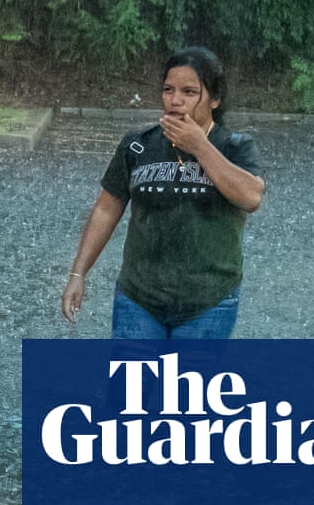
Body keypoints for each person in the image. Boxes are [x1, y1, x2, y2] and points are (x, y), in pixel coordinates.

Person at [60, 47, 265, 338]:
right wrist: (78, 274)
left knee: (183, 385)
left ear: (215, 99)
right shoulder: (138, 145)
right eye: (168, 90)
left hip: (208, 304)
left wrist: (199, 146)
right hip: (139, 299)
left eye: (189, 92)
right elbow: (106, 209)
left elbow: (251, 197)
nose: (175, 100)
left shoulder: (234, 146)